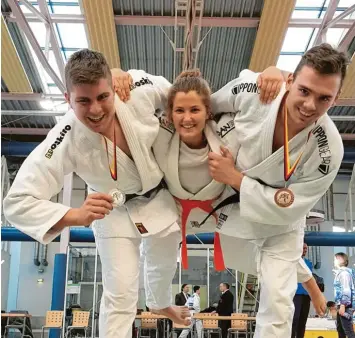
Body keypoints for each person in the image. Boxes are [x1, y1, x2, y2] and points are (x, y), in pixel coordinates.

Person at [113, 65, 328, 323]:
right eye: (179, 111)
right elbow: (146, 87)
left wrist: (274, 72)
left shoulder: (227, 128)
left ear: (209, 112)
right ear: (170, 114)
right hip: (174, 205)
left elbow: (249, 84)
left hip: (220, 205)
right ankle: (160, 305)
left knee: (271, 241)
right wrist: (116, 73)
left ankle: (311, 285)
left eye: (195, 110)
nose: (187, 118)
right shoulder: (160, 129)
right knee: (159, 252)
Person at [3, 49, 191, 338]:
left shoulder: (135, 87)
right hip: (110, 209)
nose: (95, 110)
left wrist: (269, 82)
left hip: (159, 196)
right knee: (120, 294)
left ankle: (160, 303)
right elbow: (16, 202)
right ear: (68, 99)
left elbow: (180, 97)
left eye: (103, 97)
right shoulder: (65, 135)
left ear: (111, 86)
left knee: (163, 264)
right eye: (83, 101)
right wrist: (74, 215)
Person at [208, 43, 348, 337]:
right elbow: (205, 106)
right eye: (304, 91)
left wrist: (236, 178)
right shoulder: (256, 91)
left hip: (282, 224)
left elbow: (290, 206)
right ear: (288, 81)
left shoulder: (330, 150)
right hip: (222, 199)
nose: (310, 105)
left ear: (334, 101)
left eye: (324, 98)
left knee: (278, 304)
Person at [292, 243, 313, 338]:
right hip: (296, 294)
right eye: (303, 248)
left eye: (306, 248)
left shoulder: (309, 263)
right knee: (294, 319)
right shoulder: (293, 261)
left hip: (306, 295)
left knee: (303, 320)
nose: (305, 250)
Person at [334, 252, 355, 338]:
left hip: (345, 306)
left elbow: (346, 289)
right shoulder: (342, 273)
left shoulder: (344, 274)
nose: (334, 261)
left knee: (348, 331)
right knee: (341, 329)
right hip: (342, 305)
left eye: (335, 259)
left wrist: (342, 305)